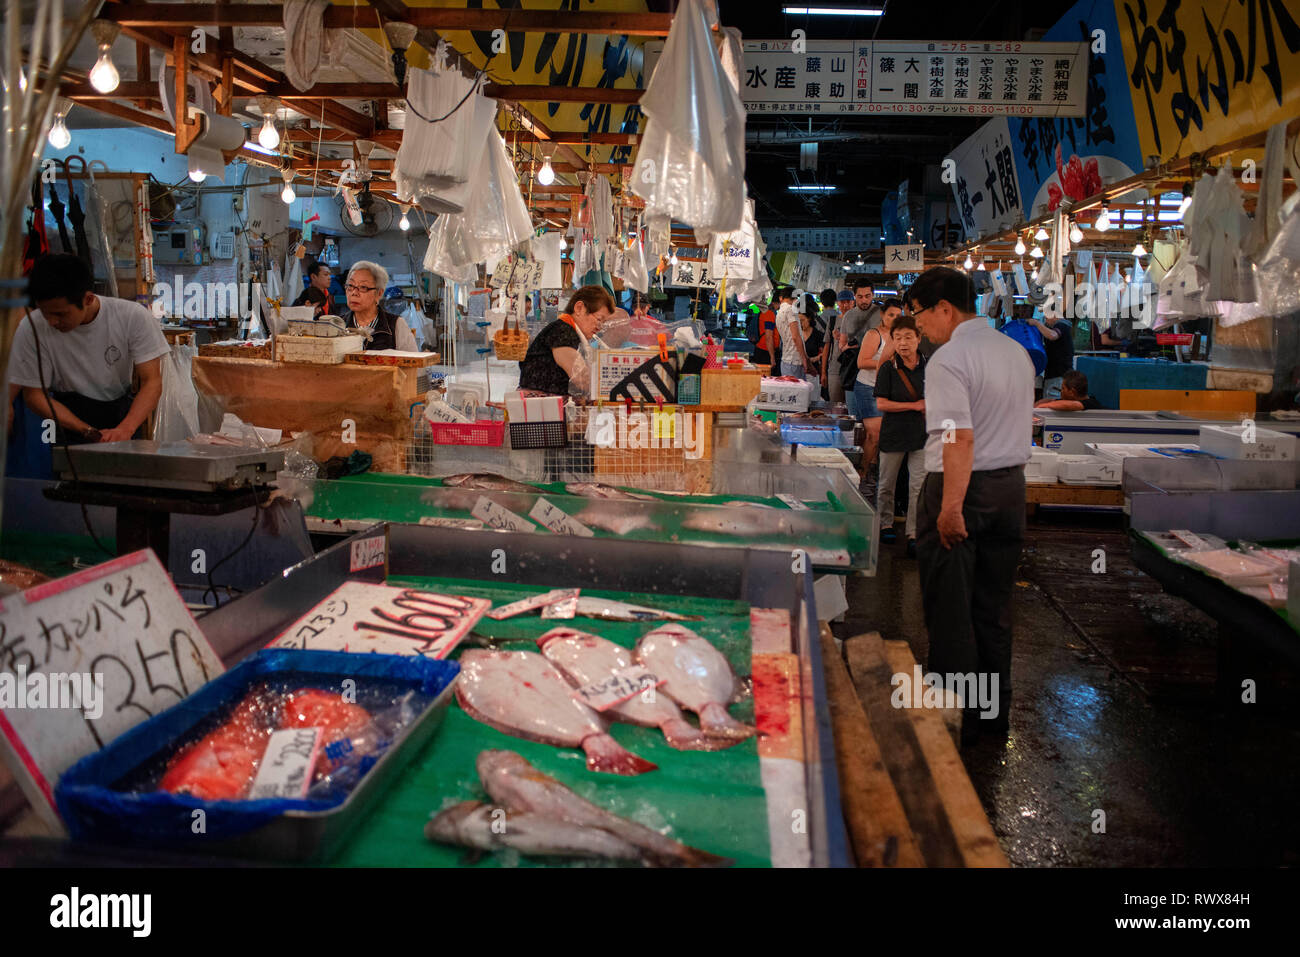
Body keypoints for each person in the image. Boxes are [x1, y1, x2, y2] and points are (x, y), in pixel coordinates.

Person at [907, 266, 1033, 740]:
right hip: (1009, 491)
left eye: (921, 318)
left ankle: (950, 722)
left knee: (951, 611)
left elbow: (958, 437)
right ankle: (991, 719)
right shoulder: (1015, 352)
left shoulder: (949, 359)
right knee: (994, 608)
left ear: (945, 308)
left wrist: (952, 507)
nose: (918, 328)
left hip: (963, 491)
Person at [7, 253, 169, 444]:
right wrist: (86, 430)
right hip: (64, 420)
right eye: (45, 313)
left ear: (88, 299)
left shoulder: (132, 316)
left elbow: (152, 382)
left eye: (60, 314)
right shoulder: (31, 326)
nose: (51, 322)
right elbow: (34, 395)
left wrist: (126, 428)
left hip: (120, 417)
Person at [873, 313, 927, 557]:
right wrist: (914, 406)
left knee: (918, 486)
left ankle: (914, 533)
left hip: (921, 435)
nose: (903, 343)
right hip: (894, 433)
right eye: (897, 338)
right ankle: (885, 523)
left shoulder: (931, 367)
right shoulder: (888, 368)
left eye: (908, 337)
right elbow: (882, 404)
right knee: (886, 484)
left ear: (918, 338)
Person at [517, 285, 615, 395]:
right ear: (579, 308)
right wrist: (612, 388)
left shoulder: (569, 331)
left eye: (603, 323)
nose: (599, 327)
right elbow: (581, 378)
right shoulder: (562, 331)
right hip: (538, 406)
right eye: (599, 319)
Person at [854, 297, 903, 495]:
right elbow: (862, 362)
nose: (895, 318)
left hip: (890, 391)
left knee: (881, 436)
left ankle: (872, 471)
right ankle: (863, 475)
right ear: (882, 315)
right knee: (874, 434)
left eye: (899, 315)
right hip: (868, 387)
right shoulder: (874, 335)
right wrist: (887, 363)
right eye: (891, 315)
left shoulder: (902, 335)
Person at [341, 261, 417, 351]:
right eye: (350, 286)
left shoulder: (395, 325)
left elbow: (411, 362)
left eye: (363, 287)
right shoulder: (338, 325)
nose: (354, 293)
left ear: (379, 293)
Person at [833, 281, 881, 415]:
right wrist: (848, 346)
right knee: (854, 416)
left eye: (867, 296)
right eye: (860, 297)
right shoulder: (848, 316)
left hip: (874, 373)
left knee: (873, 417)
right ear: (855, 296)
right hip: (853, 371)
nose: (864, 300)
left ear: (873, 295)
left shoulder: (881, 314)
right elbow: (841, 346)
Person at [821, 289, 854, 403]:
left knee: (852, 406)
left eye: (848, 302)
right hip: (834, 369)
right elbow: (827, 346)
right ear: (837, 303)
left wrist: (842, 338)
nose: (845, 305)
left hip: (853, 369)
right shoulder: (833, 320)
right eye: (842, 302)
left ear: (853, 303)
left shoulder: (859, 320)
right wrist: (823, 372)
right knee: (835, 405)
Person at [1031, 312, 1073, 399]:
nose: (1046, 320)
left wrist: (1037, 324)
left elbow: (1053, 335)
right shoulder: (1058, 326)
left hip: (1058, 375)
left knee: (1052, 403)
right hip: (1054, 374)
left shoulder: (1061, 325)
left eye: (1046, 318)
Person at [776, 288, 809, 379]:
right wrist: (804, 359)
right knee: (798, 391)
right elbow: (795, 336)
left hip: (786, 359)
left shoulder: (779, 312)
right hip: (795, 360)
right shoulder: (791, 309)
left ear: (781, 298)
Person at [1034, 370, 1104, 411]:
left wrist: (1042, 406)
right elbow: (1050, 401)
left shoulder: (1091, 404)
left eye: (1063, 388)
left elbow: (1072, 405)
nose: (1061, 391)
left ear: (1072, 392)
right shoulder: (1070, 399)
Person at [802, 295, 825, 381]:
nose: (800, 324)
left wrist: (813, 359)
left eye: (802, 320)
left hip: (814, 373)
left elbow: (824, 353)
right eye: (798, 321)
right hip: (798, 371)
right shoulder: (796, 335)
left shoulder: (818, 335)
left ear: (809, 319)